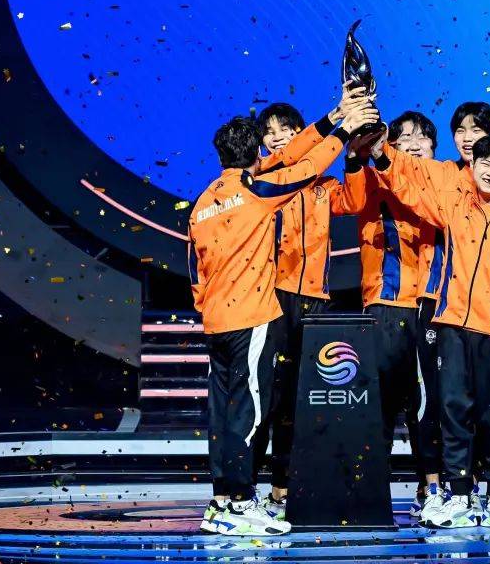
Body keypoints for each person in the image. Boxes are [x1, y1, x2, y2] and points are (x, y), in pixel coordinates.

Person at [188, 99, 378, 536]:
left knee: (226, 412)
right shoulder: (258, 191)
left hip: (218, 320)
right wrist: (343, 129)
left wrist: (335, 118)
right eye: (267, 137)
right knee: (252, 411)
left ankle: (222, 501)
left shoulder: (202, 203)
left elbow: (193, 268)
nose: (275, 143)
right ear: (258, 152)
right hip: (256, 313)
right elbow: (306, 166)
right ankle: (241, 502)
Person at [367, 132, 490, 529]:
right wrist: (381, 158)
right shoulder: (454, 204)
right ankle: (460, 494)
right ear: (472, 166)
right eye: (485, 163)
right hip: (452, 327)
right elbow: (410, 194)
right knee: (453, 411)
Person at [251, 95, 363, 519]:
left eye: (286, 129)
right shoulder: (262, 180)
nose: (278, 137)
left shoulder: (322, 187)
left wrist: (353, 157)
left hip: (315, 303)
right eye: (269, 132)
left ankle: (283, 488)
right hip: (272, 299)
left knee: (301, 401)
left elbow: (354, 201)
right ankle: (246, 491)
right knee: (267, 397)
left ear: (301, 133)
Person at [332, 111, 445, 519]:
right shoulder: (373, 178)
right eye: (404, 138)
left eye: (423, 137)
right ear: (390, 146)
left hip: (434, 307)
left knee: (426, 405)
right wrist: (353, 157)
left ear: (434, 147)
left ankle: (430, 488)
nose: (414, 144)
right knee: (377, 403)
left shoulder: (446, 182)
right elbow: (348, 202)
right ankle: (370, 490)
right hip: (386, 303)